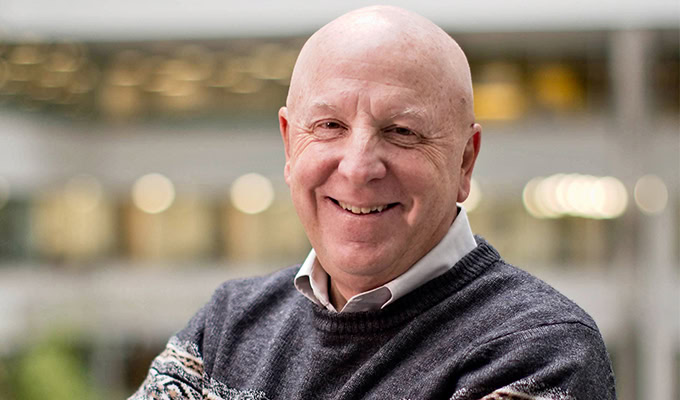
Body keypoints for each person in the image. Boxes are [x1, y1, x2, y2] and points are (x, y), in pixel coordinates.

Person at [130, 6, 616, 400]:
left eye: (402, 132)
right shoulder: (226, 327)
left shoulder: (539, 351)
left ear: (465, 162)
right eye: (329, 127)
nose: (359, 167)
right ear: (288, 145)